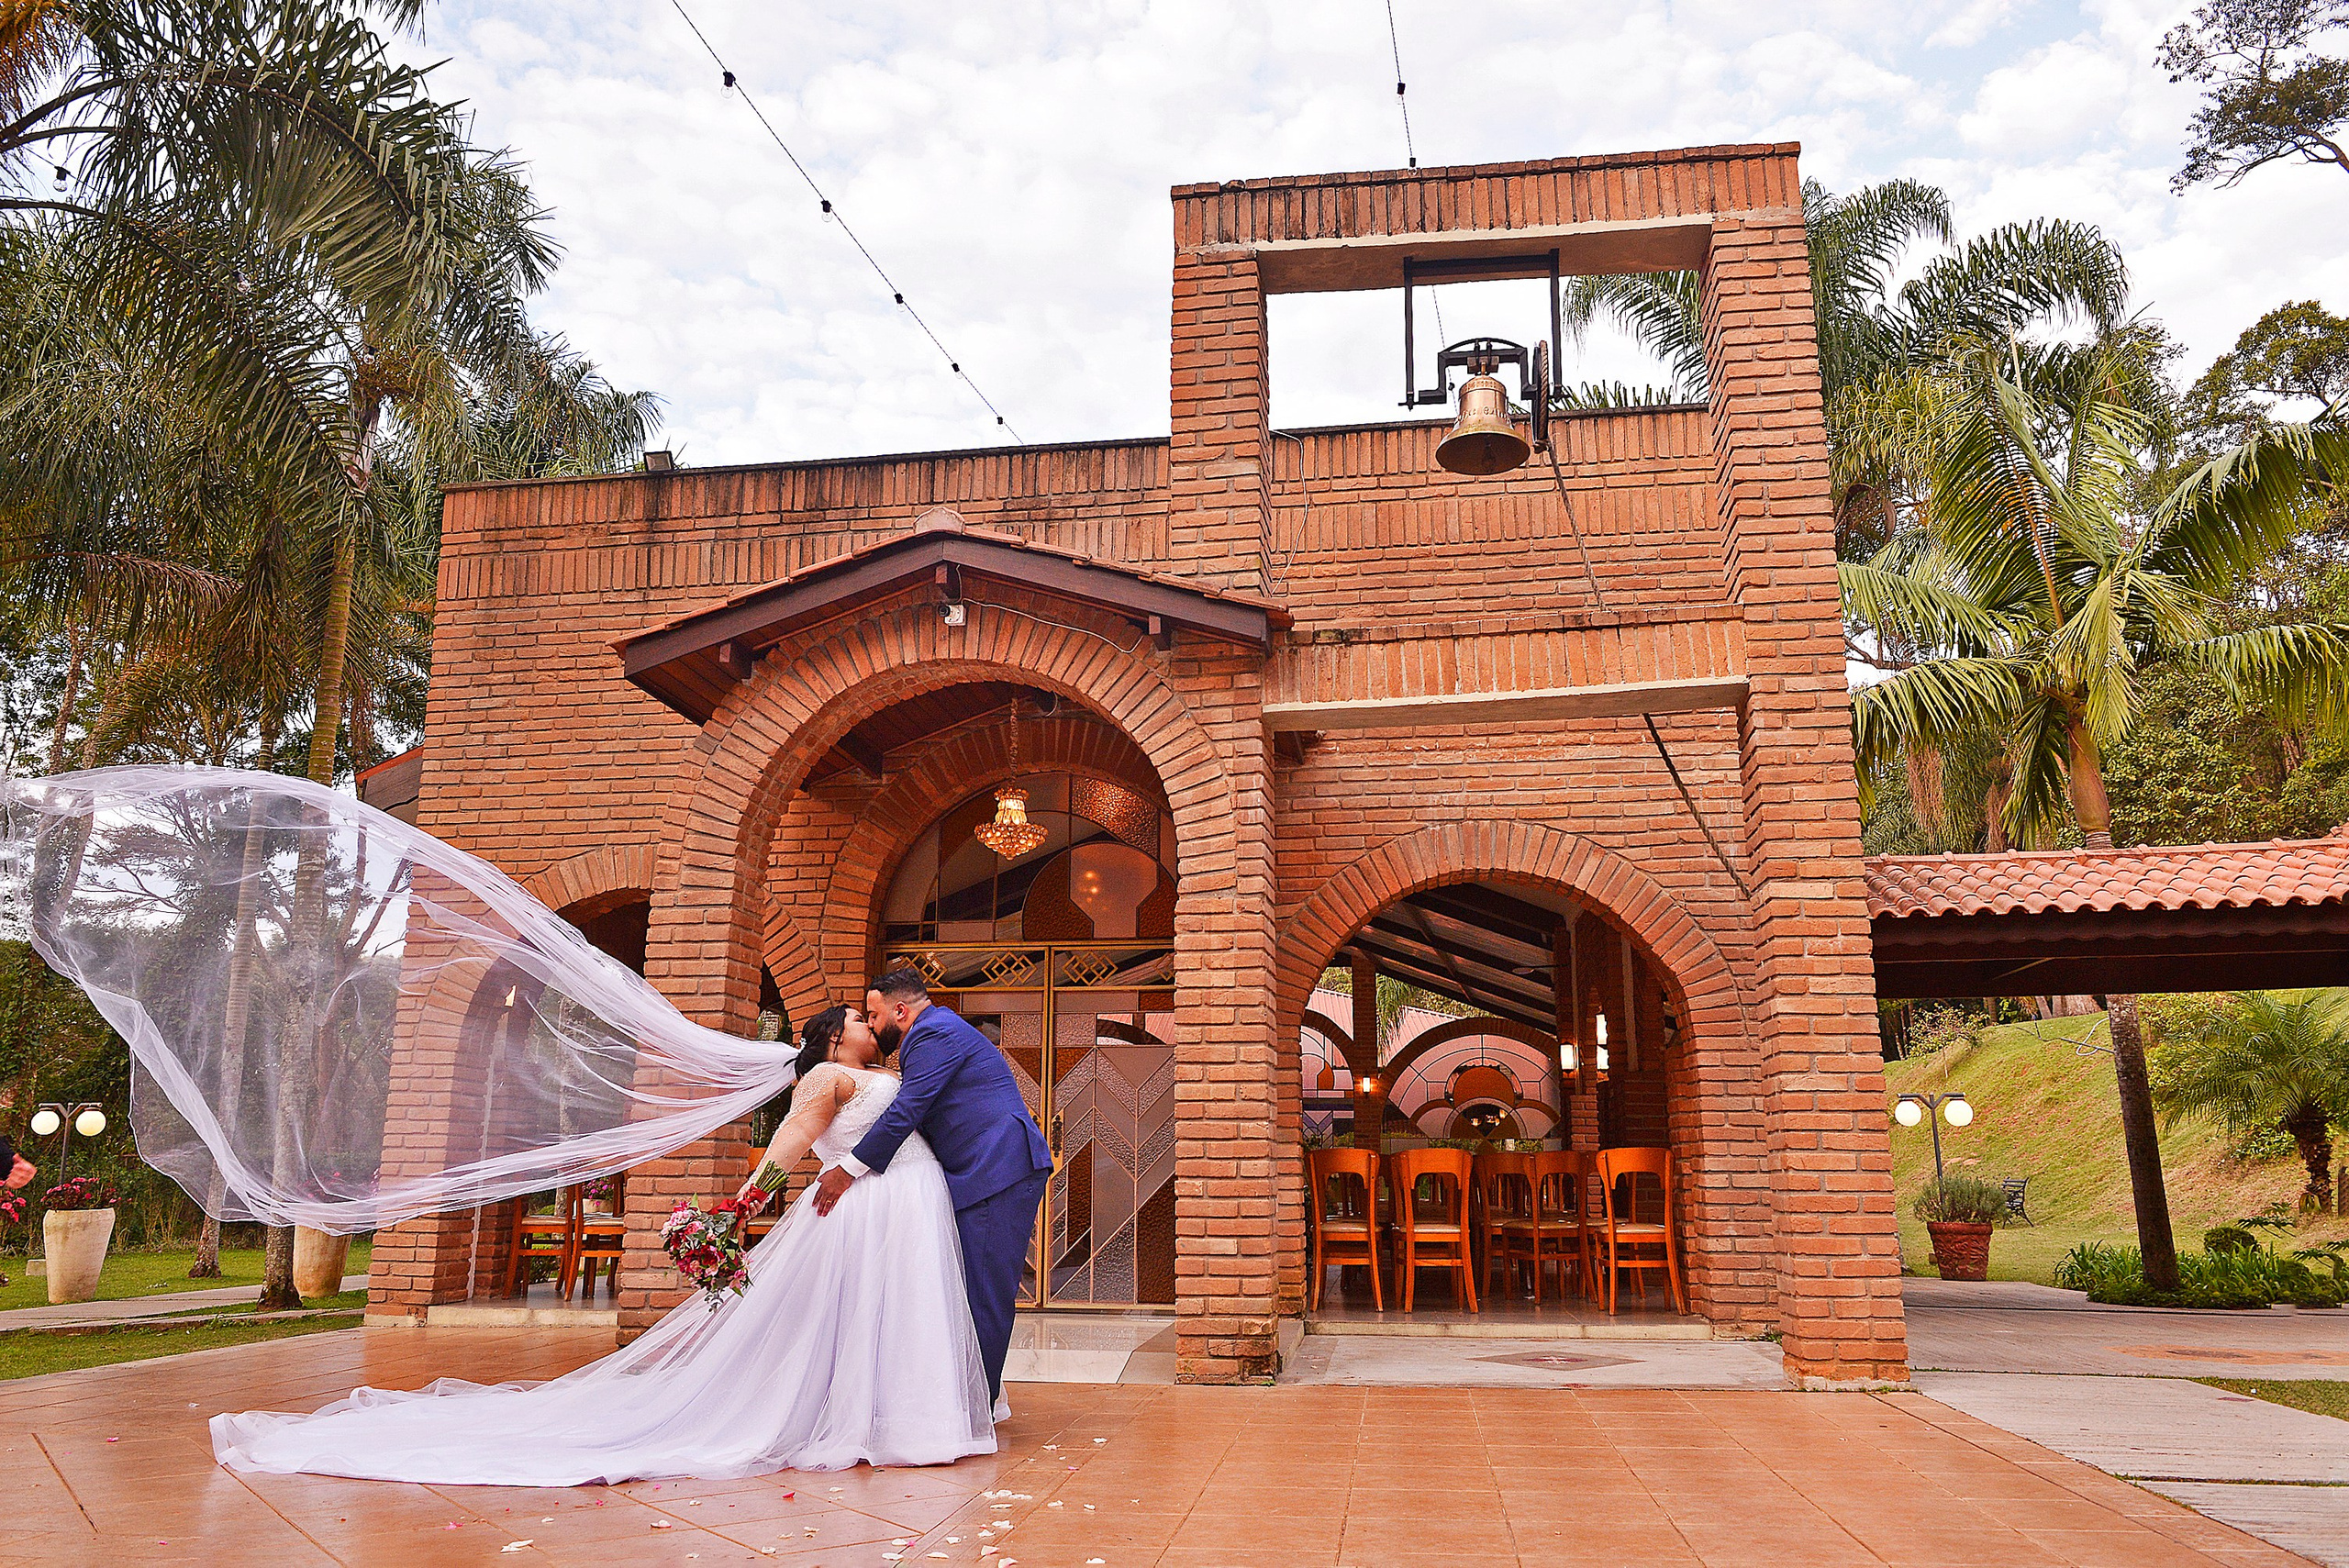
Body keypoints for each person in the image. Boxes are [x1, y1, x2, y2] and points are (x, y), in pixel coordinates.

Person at [212, 1005, 994, 1485]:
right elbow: (787, 1147)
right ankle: (866, 1419)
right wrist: (738, 1209)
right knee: (855, 1313)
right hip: (863, 1204)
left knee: (891, 1313)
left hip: (902, 1202)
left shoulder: (878, 1072)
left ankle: (902, 1414)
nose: (870, 1024)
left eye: (868, 1016)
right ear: (830, 1036)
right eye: (858, 1019)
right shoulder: (826, 1075)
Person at [818, 966, 1052, 1409]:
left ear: (899, 1010)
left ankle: (974, 1411)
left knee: (983, 1293)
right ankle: (960, 1402)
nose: (870, 1024)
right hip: (981, 1172)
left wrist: (847, 1170)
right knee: (966, 1290)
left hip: (994, 1170)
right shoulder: (932, 1032)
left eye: (873, 1014)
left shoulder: (932, 1034)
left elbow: (907, 1110)